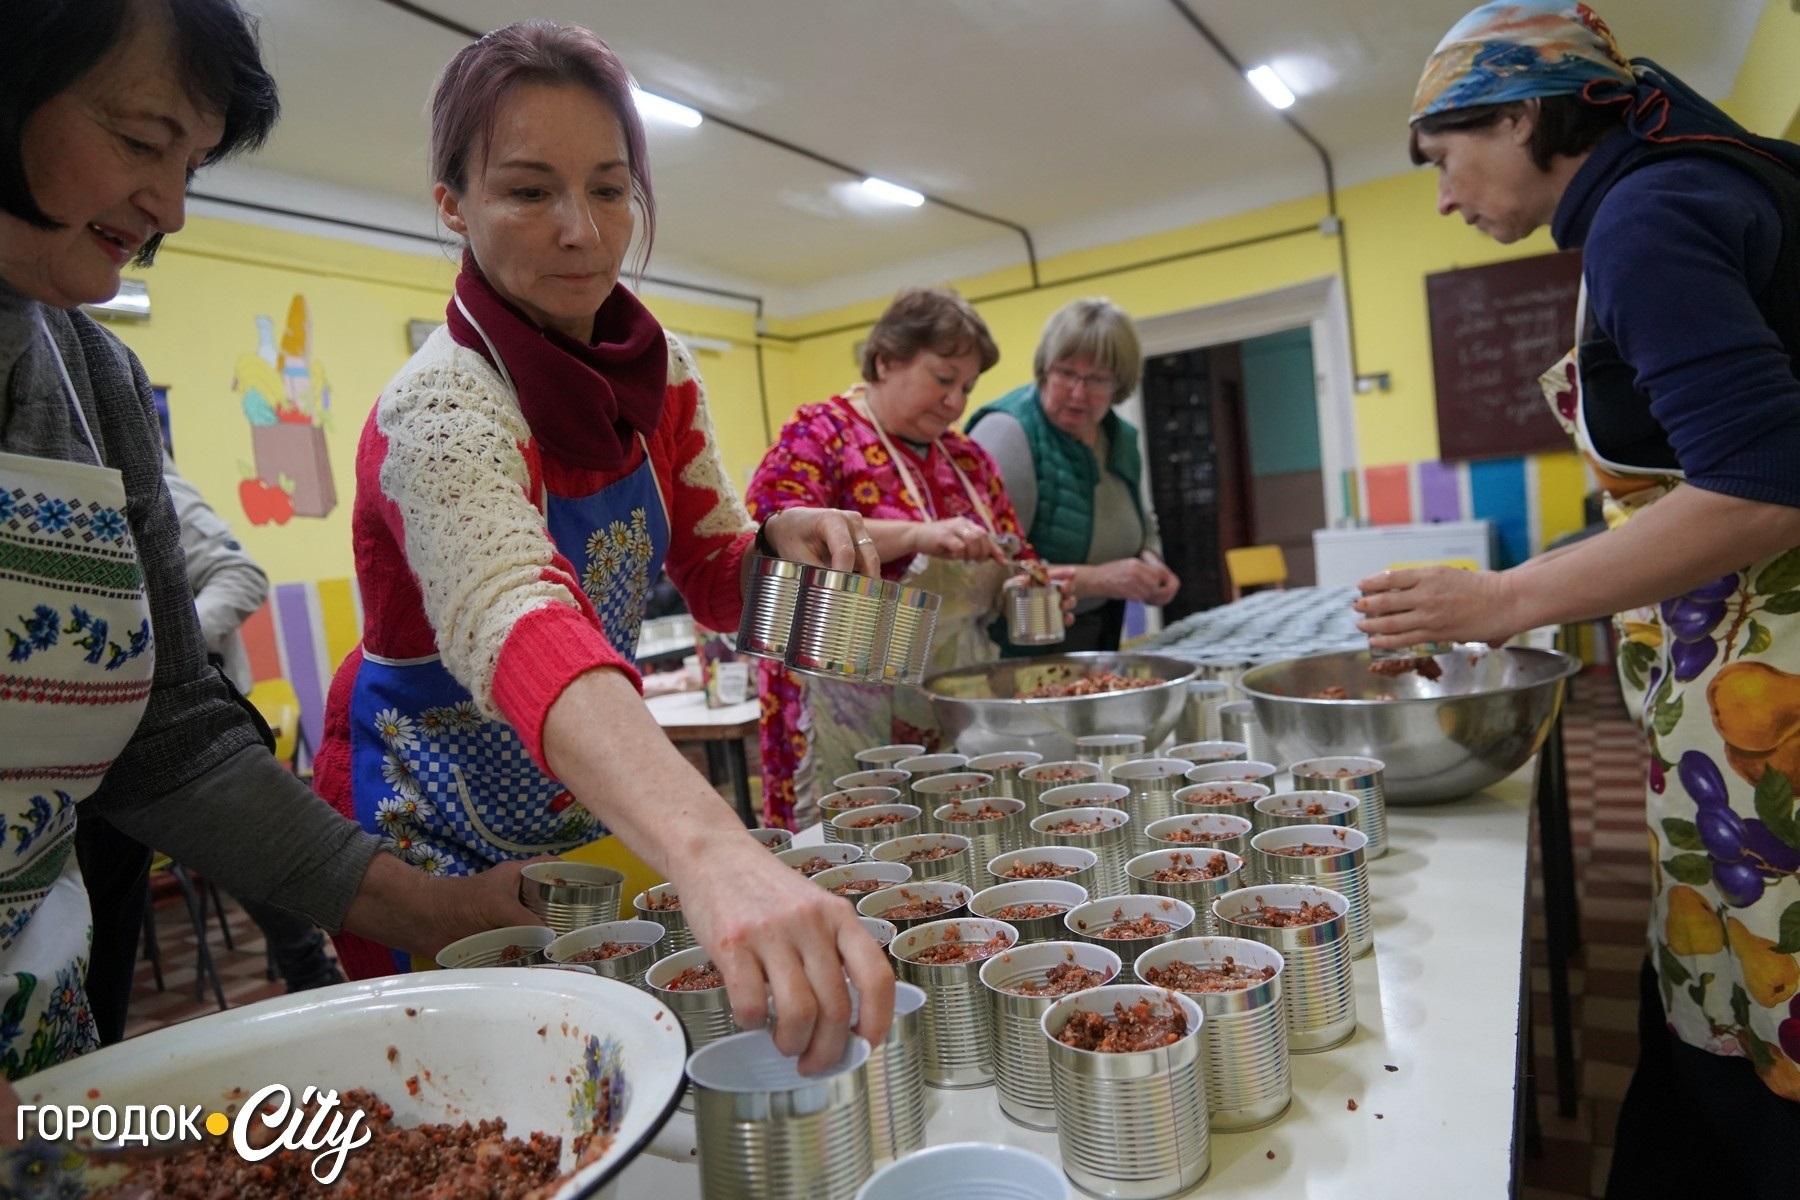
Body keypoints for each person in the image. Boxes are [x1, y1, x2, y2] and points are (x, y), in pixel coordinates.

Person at [310, 20, 890, 1072]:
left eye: (610, 188)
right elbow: (518, 621)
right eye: (529, 191)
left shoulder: (656, 372)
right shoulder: (439, 406)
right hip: (429, 822)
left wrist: (779, 556)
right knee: (486, 1103)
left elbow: (711, 578)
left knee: (611, 1074)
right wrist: (714, 845)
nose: (581, 230)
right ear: (454, 206)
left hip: (583, 791)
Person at [0, 0, 534, 1098]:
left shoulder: (94, 383)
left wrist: (419, 905)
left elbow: (170, 743)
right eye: (143, 143)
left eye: (190, 163)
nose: (170, 208)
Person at [1360, 4, 1800, 1194]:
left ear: (1520, 114)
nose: (1444, 199)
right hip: (1731, 705)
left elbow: (1762, 487)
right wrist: (1558, 564)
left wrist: (1504, 598)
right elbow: (1678, 478)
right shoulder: (1672, 190)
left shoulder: (1646, 219)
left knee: (1772, 1037)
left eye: (1445, 161)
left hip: (1780, 720)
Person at [746, 287, 1065, 831]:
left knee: (949, 838)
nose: (955, 402)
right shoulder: (821, 434)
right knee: (857, 846)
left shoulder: (967, 459)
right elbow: (770, 536)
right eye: (943, 379)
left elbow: (1019, 553)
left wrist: (1022, 588)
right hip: (839, 704)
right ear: (885, 360)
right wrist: (918, 535)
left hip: (948, 702)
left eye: (967, 387)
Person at [968, 298, 1177, 652]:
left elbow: (1141, 522)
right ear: (1044, 367)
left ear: (1119, 384)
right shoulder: (1007, 434)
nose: (1078, 393)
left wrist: (1151, 563)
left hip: (1096, 636)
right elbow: (983, 571)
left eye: (1097, 379)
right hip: (1017, 649)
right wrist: (1099, 580)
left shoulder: (1119, 437)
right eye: (1066, 373)